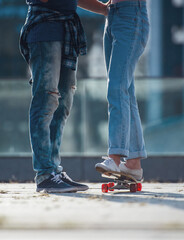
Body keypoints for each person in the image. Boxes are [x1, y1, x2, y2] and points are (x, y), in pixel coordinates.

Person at [19, 0, 109, 193]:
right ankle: (44, 175)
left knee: (64, 102)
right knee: (45, 100)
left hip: (66, 31)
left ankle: (54, 171)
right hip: (44, 30)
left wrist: (103, 9)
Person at [95, 0, 150, 181]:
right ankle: (133, 164)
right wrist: (106, 9)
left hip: (131, 14)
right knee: (126, 92)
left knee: (117, 88)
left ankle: (115, 157)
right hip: (111, 16)